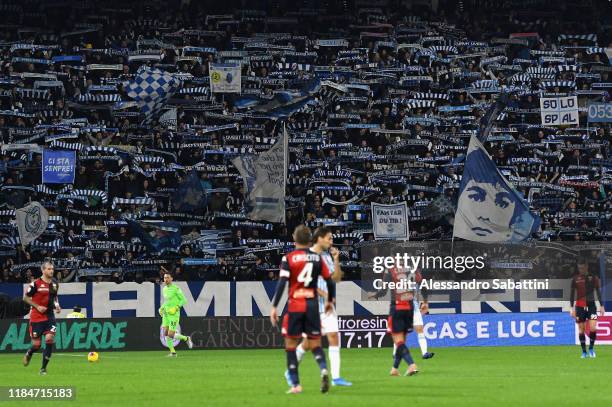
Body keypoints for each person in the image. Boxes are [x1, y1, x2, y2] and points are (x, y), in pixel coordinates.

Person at [270, 225, 336, 394]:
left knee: (291, 345)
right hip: (312, 305)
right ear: (310, 240)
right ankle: (323, 369)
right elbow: (329, 281)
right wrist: (330, 300)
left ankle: (296, 385)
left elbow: (282, 283)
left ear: (294, 238)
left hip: (296, 305)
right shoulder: (317, 258)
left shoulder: (289, 258)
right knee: (315, 343)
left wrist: (274, 306)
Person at [287, 226, 352, 387]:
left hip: (327, 307)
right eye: (329, 238)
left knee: (333, 337)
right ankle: (290, 370)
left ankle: (336, 378)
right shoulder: (308, 256)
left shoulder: (328, 256)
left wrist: (336, 259)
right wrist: (326, 295)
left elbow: (336, 279)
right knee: (308, 344)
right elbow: (306, 284)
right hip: (312, 306)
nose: (331, 241)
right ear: (320, 238)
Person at [369, 258, 422, 376]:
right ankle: (394, 368)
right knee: (402, 341)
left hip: (397, 308)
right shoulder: (412, 269)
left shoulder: (390, 270)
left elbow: (383, 290)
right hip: (410, 308)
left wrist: (375, 295)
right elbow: (420, 281)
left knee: (398, 341)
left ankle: (412, 365)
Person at [22, 261, 61, 375]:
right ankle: (29, 353)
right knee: (37, 345)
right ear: (43, 270)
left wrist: (57, 306)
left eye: (52, 269)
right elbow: (25, 298)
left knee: (49, 339)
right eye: (49, 269)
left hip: (49, 316)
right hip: (36, 317)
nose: (51, 271)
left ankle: (43, 368)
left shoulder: (55, 283)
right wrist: (37, 306)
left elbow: (54, 297)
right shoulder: (35, 284)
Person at [570, 260, 605, 358]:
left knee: (593, 328)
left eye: (582, 267)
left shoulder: (594, 278)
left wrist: (601, 306)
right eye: (579, 268)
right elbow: (572, 294)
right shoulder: (575, 279)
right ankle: (584, 352)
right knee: (581, 330)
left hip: (591, 307)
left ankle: (591, 349)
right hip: (579, 307)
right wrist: (571, 308)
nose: (581, 270)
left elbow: (598, 292)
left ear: (586, 267)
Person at [159, 271, 193, 356]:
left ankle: (186, 338)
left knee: (170, 334)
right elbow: (167, 301)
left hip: (174, 314)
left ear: (171, 279)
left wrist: (176, 307)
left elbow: (184, 300)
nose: (165, 279)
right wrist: (161, 308)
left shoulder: (176, 288)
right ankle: (173, 352)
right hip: (166, 314)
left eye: (167, 278)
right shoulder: (164, 289)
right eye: (164, 278)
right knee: (166, 334)